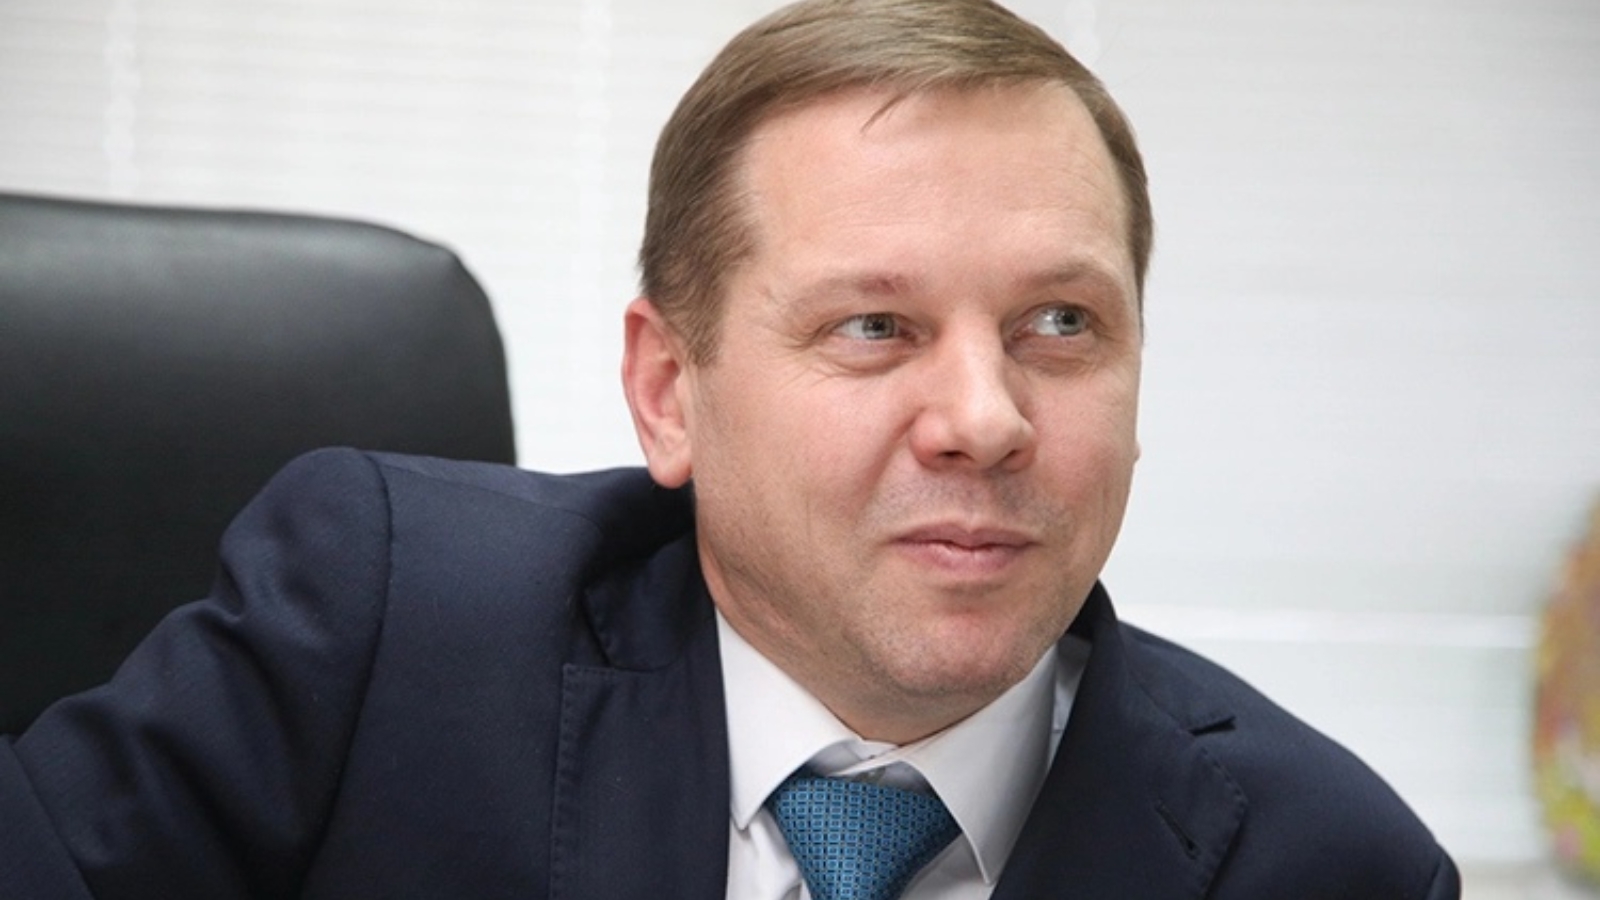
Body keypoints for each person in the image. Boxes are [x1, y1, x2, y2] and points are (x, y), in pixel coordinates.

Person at [1, 0, 1460, 897]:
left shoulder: (1334, 866)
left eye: (1062, 322)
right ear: (669, 392)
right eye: (875, 325)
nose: (986, 418)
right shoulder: (379, 635)